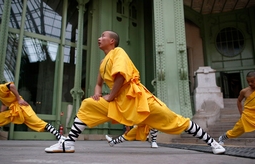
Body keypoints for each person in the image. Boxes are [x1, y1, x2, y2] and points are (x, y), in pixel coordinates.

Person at [45, 30, 225, 154]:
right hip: (118, 102)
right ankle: (68, 143)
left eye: (103, 36)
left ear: (112, 41)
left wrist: (110, 95)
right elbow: (99, 83)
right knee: (88, 104)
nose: (99, 39)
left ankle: (213, 143)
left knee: (176, 121)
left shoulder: (118, 52)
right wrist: (98, 93)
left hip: (139, 100)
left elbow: (121, 77)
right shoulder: (103, 62)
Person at [0, 77, 61, 146]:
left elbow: (11, 85)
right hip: (16, 110)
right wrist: (0, 112)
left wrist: (19, 99)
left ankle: (60, 137)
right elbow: (4, 104)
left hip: (22, 108)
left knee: (38, 123)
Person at [219, 71, 255, 145]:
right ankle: (223, 137)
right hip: (248, 116)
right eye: (248, 81)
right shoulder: (244, 91)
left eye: (252, 81)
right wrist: (241, 113)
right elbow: (239, 101)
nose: (250, 83)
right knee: (236, 131)